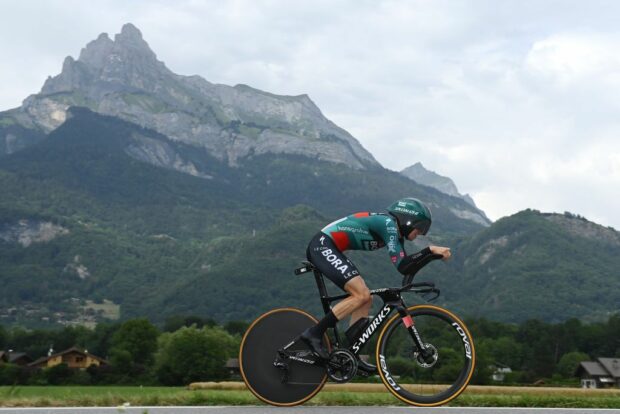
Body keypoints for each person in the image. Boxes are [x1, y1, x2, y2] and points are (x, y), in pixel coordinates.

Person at [300, 197, 451, 372]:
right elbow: (403, 266)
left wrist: (431, 256)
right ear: (408, 220)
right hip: (322, 246)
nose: (422, 233)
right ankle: (314, 333)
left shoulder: (393, 231)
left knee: (366, 299)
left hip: (330, 247)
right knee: (361, 294)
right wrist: (430, 250)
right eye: (421, 227)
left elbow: (406, 266)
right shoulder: (388, 224)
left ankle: (351, 354)